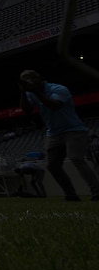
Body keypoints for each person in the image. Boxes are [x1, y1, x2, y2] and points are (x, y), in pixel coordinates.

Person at [19, 69, 99, 201]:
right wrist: (23, 93)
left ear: (39, 78)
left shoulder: (58, 88)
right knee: (53, 166)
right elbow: (26, 110)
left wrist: (35, 92)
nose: (29, 82)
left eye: (31, 78)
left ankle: (96, 192)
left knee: (76, 158)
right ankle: (71, 194)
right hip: (53, 133)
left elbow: (54, 106)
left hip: (73, 129)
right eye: (25, 79)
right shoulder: (30, 93)